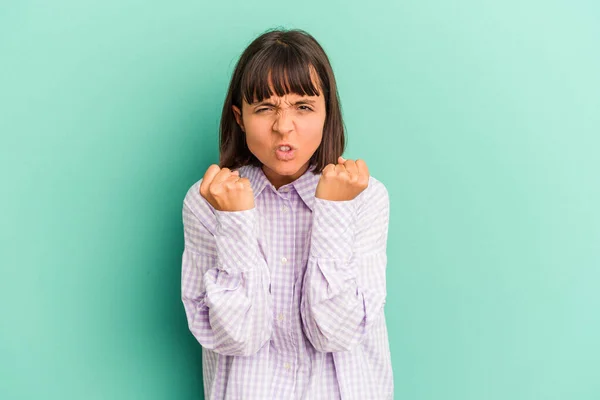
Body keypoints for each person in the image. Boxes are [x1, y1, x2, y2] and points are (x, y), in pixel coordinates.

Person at [181, 28, 393, 399]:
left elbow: (337, 333)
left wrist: (334, 210)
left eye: (304, 106)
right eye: (264, 108)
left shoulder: (366, 197)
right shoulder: (206, 202)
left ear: (328, 112)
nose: (284, 127)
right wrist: (235, 221)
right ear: (240, 117)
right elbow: (237, 338)